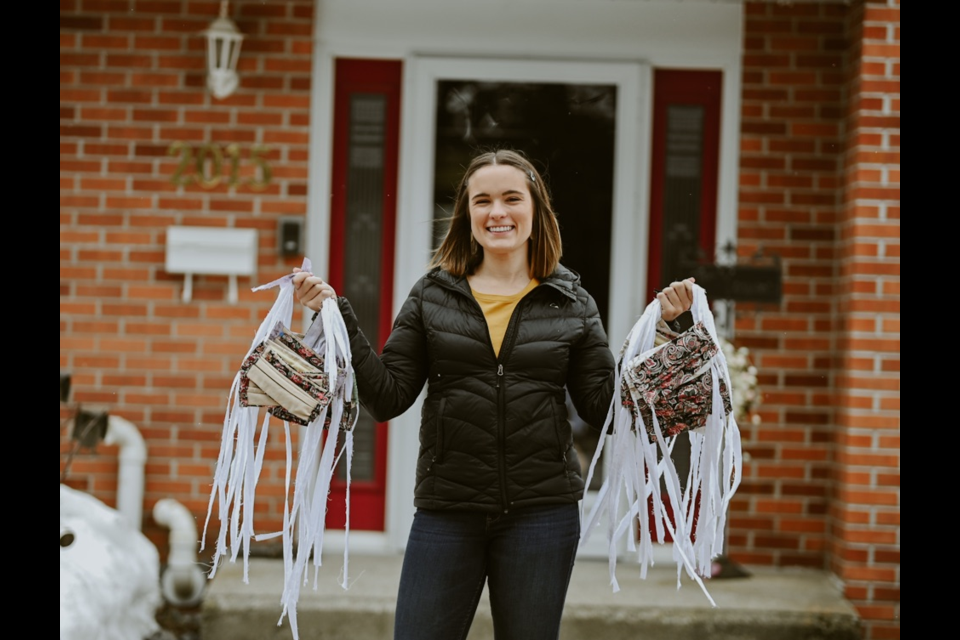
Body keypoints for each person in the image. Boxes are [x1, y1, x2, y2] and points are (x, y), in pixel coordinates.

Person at [292, 149, 695, 640]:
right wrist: (337, 317)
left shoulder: (571, 301)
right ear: (468, 215)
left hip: (543, 515)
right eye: (482, 201)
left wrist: (661, 335)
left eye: (511, 198)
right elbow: (388, 396)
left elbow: (603, 408)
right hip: (448, 510)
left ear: (535, 211)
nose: (497, 212)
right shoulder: (432, 295)